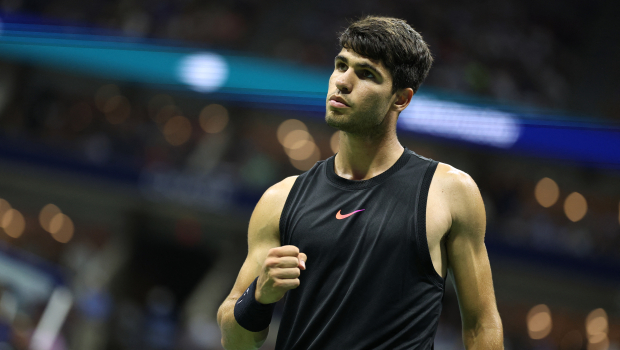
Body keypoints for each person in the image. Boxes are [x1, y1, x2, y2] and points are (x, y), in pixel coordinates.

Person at [217, 16, 503, 349]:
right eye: (341, 66)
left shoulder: (450, 192)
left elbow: (482, 324)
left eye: (366, 74)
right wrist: (258, 296)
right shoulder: (281, 198)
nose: (342, 82)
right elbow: (235, 340)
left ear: (401, 99)